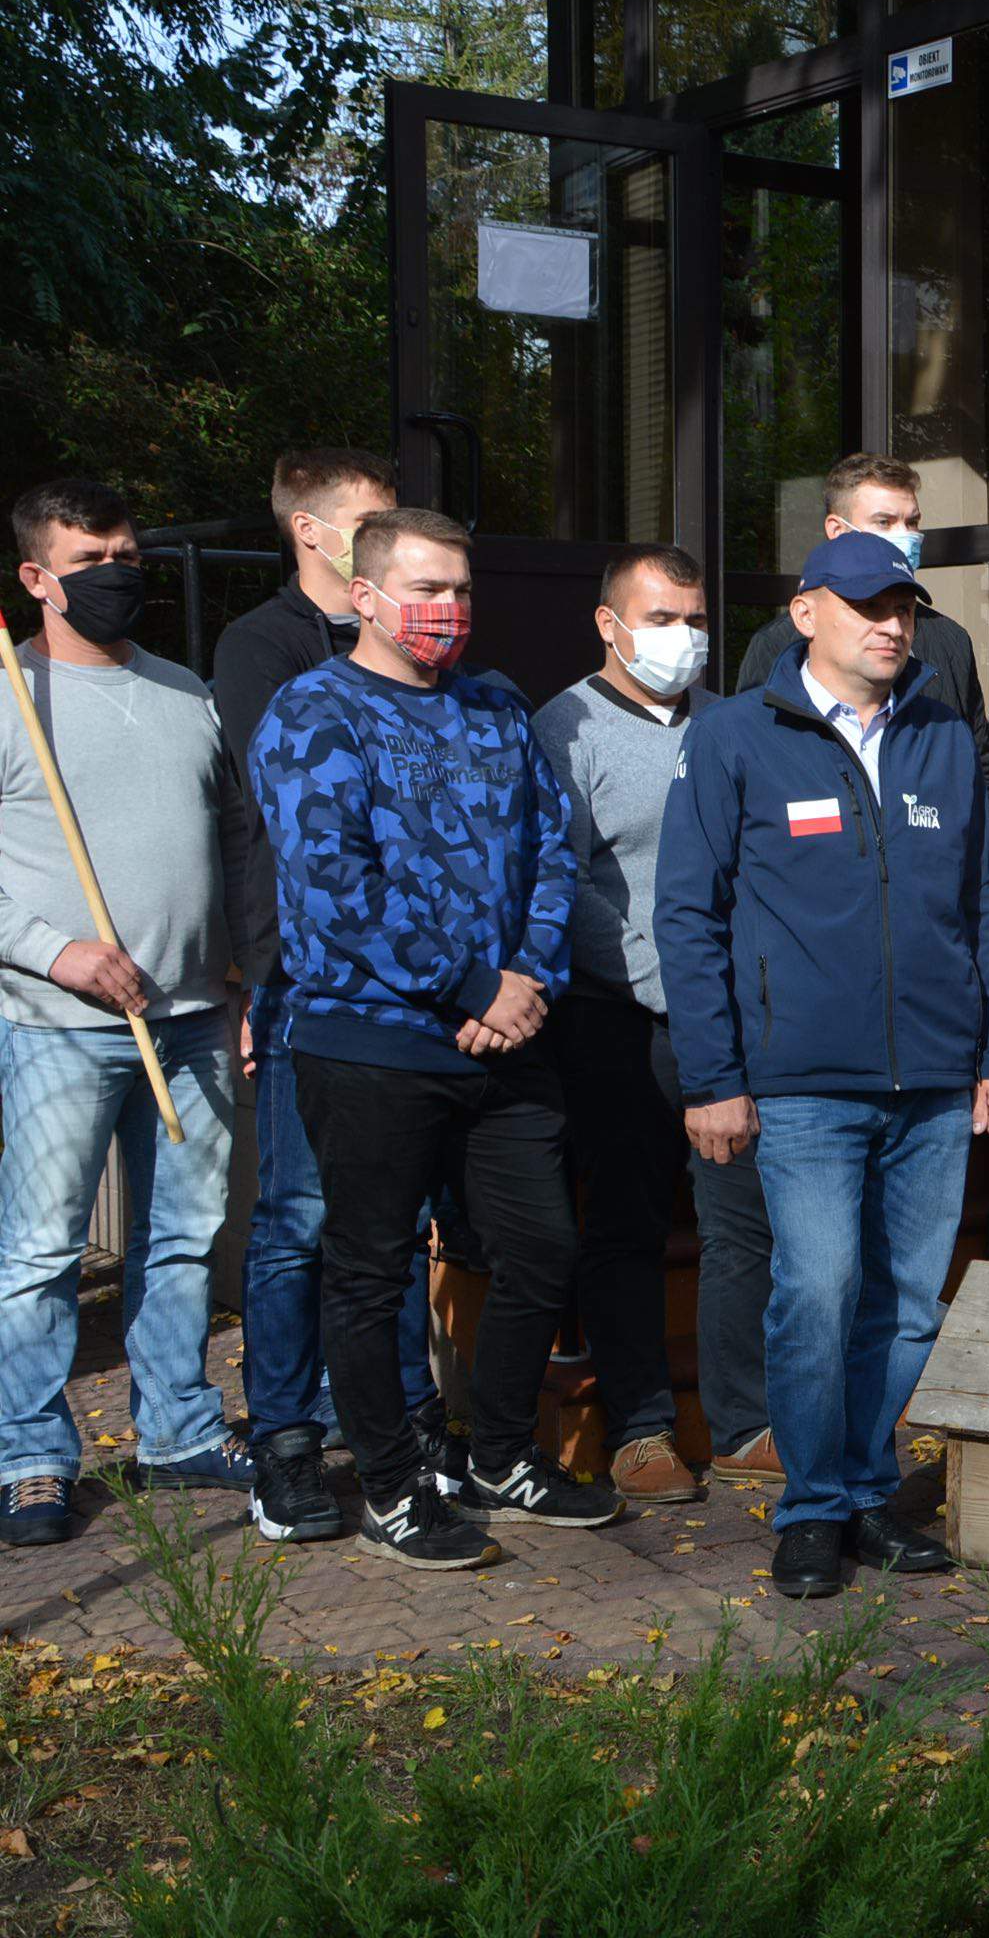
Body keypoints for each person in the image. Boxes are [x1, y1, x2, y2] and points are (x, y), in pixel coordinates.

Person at [656, 529, 989, 1600]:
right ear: (806, 611)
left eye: (903, 607)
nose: (891, 625)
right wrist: (712, 1076)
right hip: (802, 1080)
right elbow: (688, 916)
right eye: (868, 605)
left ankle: (868, 1488)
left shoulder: (947, 737)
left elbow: (979, 908)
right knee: (816, 1289)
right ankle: (812, 1504)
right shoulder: (735, 736)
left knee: (910, 1303)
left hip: (934, 1081)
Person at [254, 507, 616, 1570]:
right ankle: (391, 1485)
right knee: (366, 1273)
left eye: (459, 589)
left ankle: (498, 1452)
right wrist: (469, 983)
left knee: (541, 1245)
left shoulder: (496, 705)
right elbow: (333, 890)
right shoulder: (312, 712)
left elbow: (556, 848)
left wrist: (527, 979)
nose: (446, 609)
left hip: (508, 1037)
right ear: (362, 595)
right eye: (424, 589)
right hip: (370, 1043)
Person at [0, 481, 268, 1547]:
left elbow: (231, 843)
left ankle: (175, 1430)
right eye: (90, 555)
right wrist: (54, 950)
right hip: (52, 1024)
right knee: (40, 1251)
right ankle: (29, 1453)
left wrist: (241, 978)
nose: (117, 571)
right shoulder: (11, 695)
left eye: (128, 552)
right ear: (36, 577)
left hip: (194, 1015)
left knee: (187, 1239)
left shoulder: (184, 693)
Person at [217, 448, 450, 1527]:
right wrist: (266, 980)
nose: (389, 527)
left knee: (393, 1227)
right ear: (311, 531)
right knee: (301, 1218)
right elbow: (287, 835)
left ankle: (399, 1429)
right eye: (370, 517)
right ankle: (288, 1440)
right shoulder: (264, 648)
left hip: (419, 992)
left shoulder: (434, 666)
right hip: (310, 984)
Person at [535, 546, 787, 1500]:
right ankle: (640, 1429)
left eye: (693, 617)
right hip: (621, 1018)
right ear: (609, 623)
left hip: (727, 1019)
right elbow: (567, 883)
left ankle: (744, 1420)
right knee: (628, 1224)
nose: (683, 637)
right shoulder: (565, 728)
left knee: (739, 1226)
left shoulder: (731, 724)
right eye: (661, 618)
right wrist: (661, 979)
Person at [734, 454, 989, 797]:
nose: (905, 536)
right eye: (884, 522)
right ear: (837, 531)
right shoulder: (778, 644)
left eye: (912, 523)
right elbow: (751, 761)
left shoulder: (950, 640)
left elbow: (981, 769)